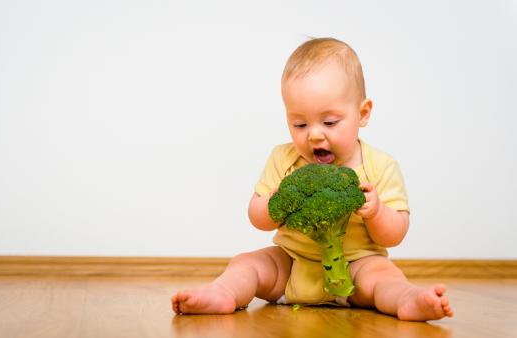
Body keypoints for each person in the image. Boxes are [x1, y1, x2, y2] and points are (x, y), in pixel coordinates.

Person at [171, 37, 453, 321]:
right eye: (300, 124)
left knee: (384, 277)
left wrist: (377, 211)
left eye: (330, 122)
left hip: (357, 268)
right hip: (292, 265)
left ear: (363, 113)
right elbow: (256, 217)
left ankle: (408, 300)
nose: (314, 134)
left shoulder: (380, 165)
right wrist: (275, 201)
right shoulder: (283, 158)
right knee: (248, 263)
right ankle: (222, 293)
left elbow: (395, 233)